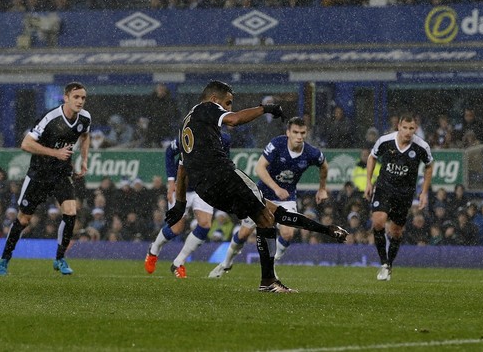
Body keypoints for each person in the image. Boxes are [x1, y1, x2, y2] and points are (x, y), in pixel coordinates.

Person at [164, 80, 348, 293]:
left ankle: (324, 231)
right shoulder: (208, 107)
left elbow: (182, 168)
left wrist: (180, 204)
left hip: (206, 190)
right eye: (228, 102)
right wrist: (265, 108)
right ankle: (268, 281)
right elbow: (234, 120)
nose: (229, 108)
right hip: (222, 176)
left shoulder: (189, 123)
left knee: (268, 214)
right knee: (268, 217)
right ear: (215, 100)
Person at [208, 116, 330, 279]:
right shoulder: (277, 144)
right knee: (244, 234)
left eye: (302, 133)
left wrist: (322, 188)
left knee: (287, 233)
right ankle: (225, 263)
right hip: (262, 195)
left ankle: (271, 264)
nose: (299, 136)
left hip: (286, 198)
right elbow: (259, 168)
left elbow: (324, 166)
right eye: (295, 132)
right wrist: (276, 188)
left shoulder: (311, 153)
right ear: (288, 133)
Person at [0, 82, 91, 276]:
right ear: (66, 98)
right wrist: (55, 153)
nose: (80, 101)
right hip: (39, 174)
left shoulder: (85, 118)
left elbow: (85, 135)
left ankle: (60, 258)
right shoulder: (51, 118)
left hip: (61, 173)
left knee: (71, 212)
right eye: (76, 97)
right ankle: (4, 259)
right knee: (24, 219)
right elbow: (26, 143)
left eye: (83, 98)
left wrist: (84, 160)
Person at [144, 131, 231, 278]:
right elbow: (169, 152)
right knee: (176, 228)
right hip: (182, 186)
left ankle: (179, 262)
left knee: (205, 224)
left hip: (203, 187)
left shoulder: (224, 138)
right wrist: (171, 181)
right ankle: (154, 249)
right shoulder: (189, 133)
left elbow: (224, 161)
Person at [364, 114, 433, 281]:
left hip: (404, 193)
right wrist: (368, 181)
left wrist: (424, 191)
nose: (408, 132)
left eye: (411, 129)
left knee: (395, 232)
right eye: (405, 128)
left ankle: (389, 264)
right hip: (384, 188)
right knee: (378, 221)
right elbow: (372, 157)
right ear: (399, 127)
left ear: (415, 129)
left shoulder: (421, 146)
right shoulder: (385, 141)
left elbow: (429, 166)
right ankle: (384, 264)